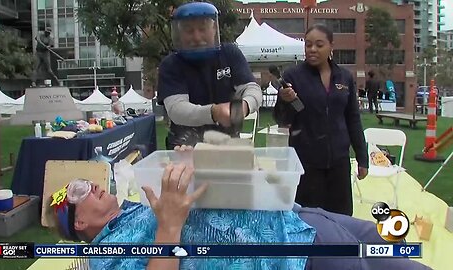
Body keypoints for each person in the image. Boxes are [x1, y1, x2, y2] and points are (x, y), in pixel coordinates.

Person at [52, 163, 430, 270]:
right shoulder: (106, 256)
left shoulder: (133, 206)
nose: (92, 186)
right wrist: (168, 224)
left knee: (389, 247)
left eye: (88, 182)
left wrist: (190, 165)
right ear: (79, 224)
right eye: (79, 194)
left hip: (290, 216)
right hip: (290, 252)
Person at [273, 24, 368, 216]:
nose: (312, 49)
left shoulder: (345, 77)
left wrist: (362, 157)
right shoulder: (293, 76)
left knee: (340, 218)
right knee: (309, 218)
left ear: (331, 46)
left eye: (319, 44)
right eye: (308, 45)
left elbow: (353, 119)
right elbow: (281, 119)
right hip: (306, 162)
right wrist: (285, 101)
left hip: (339, 162)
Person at [157, 2, 262, 149]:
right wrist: (214, 112)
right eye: (189, 30)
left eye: (202, 29)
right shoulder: (171, 64)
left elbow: (252, 89)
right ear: (179, 34)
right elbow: (176, 110)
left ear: (213, 29)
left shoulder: (230, 53)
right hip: (184, 147)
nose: (197, 37)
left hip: (227, 145)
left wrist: (243, 107)